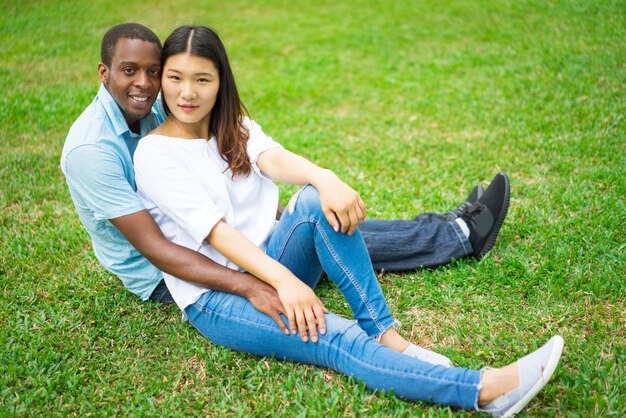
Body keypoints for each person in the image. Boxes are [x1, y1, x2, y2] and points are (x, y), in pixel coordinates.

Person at [131, 24, 562, 416]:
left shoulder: (230, 123)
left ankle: (385, 334)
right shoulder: (155, 154)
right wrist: (283, 281)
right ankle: (486, 390)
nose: (187, 93)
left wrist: (326, 177)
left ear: (221, 81)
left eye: (201, 79)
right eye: (175, 78)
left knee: (316, 201)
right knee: (335, 340)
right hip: (219, 298)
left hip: (268, 256)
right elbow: (218, 234)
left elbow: (273, 158)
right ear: (163, 79)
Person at [60, 22, 511, 322]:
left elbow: (253, 157)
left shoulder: (163, 101)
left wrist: (306, 185)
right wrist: (255, 285)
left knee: (317, 220)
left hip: (211, 232)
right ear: (104, 73)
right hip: (171, 273)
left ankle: (451, 230)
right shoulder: (92, 150)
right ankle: (459, 234)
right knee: (315, 224)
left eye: (153, 72)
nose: (145, 84)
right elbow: (158, 248)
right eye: (129, 71)